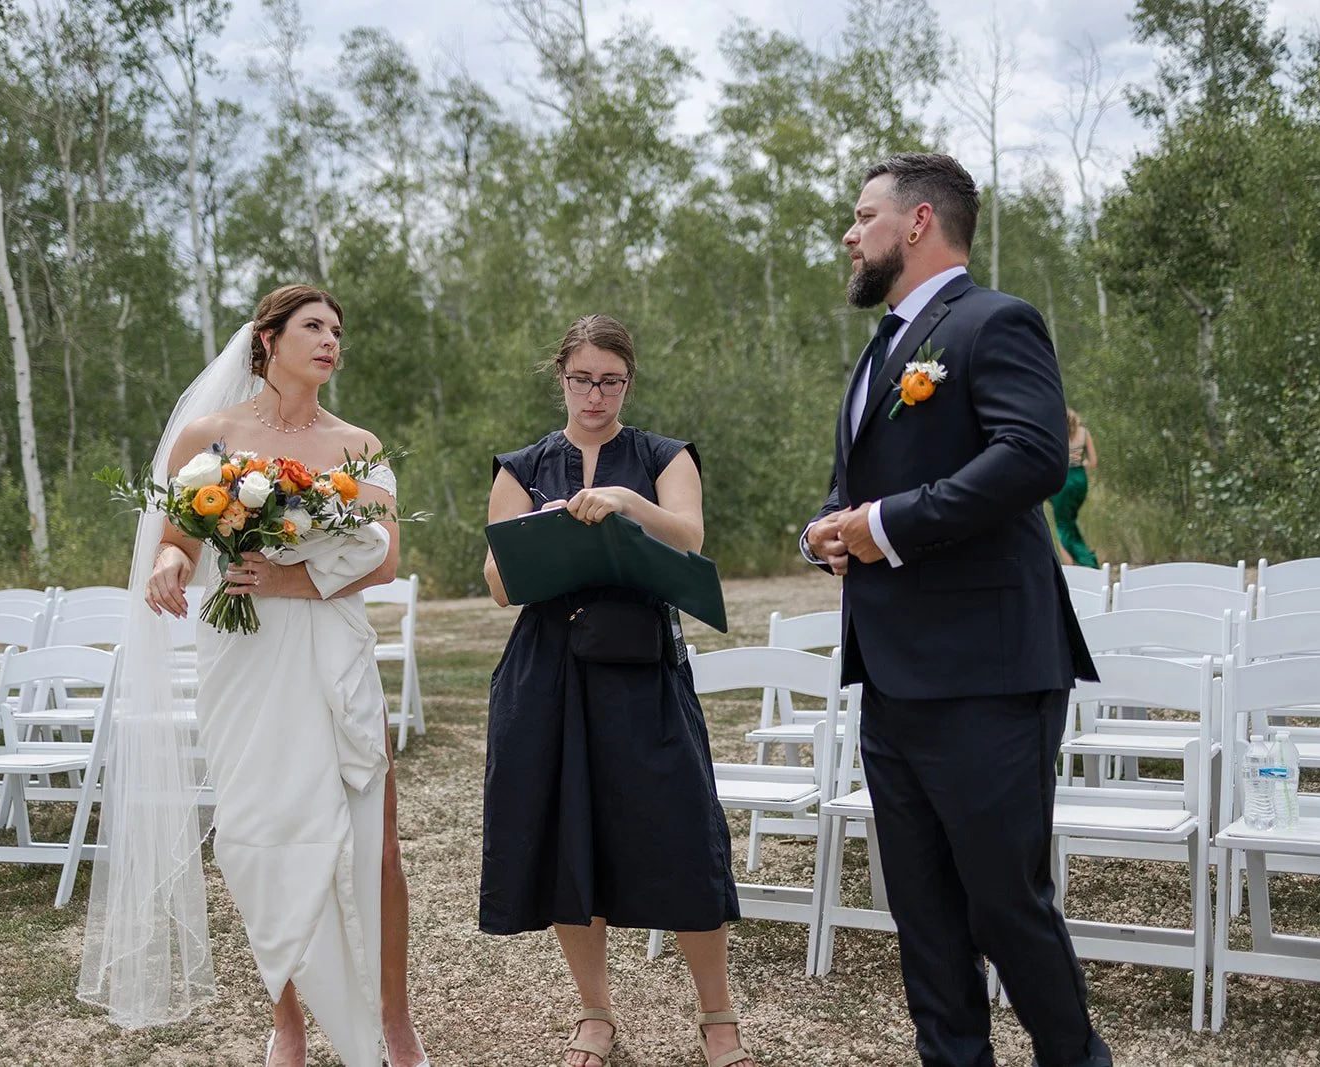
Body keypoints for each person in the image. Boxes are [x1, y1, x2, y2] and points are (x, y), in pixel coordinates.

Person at [802, 154, 1108, 1067]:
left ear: (921, 220)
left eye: (864, 216)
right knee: (925, 913)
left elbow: (1029, 457)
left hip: (987, 669)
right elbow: (858, 487)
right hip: (891, 671)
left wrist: (883, 526)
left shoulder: (994, 321)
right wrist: (828, 529)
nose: (851, 235)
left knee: (1003, 904)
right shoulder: (879, 349)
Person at [78, 284, 428, 1067]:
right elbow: (179, 540)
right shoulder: (210, 436)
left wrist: (290, 580)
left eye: (338, 329)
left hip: (331, 648)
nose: (331, 340)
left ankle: (394, 1018)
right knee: (258, 840)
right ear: (266, 340)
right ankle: (289, 1018)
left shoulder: (357, 444)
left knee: (376, 849)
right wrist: (166, 569)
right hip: (243, 654)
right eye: (314, 326)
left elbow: (385, 559)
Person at [481, 315, 753, 1067]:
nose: (594, 394)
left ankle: (718, 1017)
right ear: (559, 376)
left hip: (641, 667)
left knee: (682, 835)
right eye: (580, 378)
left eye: (610, 379)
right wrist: (540, 529)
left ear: (629, 380)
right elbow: (499, 584)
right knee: (570, 839)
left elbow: (691, 537)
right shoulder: (522, 464)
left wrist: (628, 504)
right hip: (547, 670)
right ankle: (595, 1014)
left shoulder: (663, 455)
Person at [1051, 408, 1100, 568]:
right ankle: (1079, 561)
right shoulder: (1084, 433)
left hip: (1063, 479)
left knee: (1063, 524)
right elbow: (1092, 462)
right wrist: (1080, 466)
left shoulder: (1057, 434)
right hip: (1080, 480)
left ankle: (1083, 562)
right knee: (1069, 522)